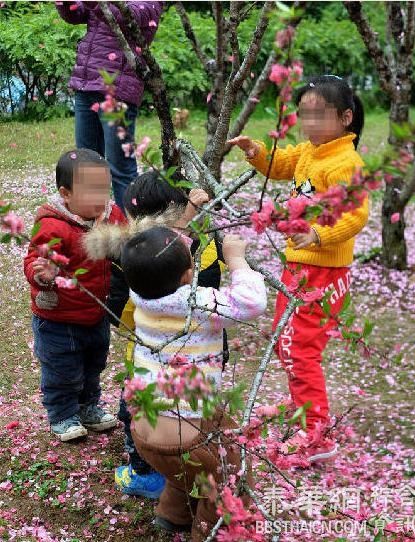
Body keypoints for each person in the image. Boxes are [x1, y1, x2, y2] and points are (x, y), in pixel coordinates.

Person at [228, 75, 369, 462]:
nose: (308, 123)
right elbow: (283, 163)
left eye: (318, 115)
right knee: (286, 341)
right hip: (300, 266)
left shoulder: (345, 162)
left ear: (344, 117)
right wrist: (256, 151)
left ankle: (318, 436)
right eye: (303, 114)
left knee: (299, 348)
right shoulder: (312, 150)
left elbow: (356, 215)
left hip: (321, 272)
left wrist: (320, 235)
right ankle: (305, 406)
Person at [83, 172, 227, 499]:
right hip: (205, 354)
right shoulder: (206, 243)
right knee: (194, 411)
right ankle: (189, 463)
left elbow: (119, 311)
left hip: (150, 355)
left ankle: (146, 473)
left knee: (136, 409)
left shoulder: (134, 257)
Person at [120, 226, 267, 540]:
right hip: (186, 432)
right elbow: (252, 303)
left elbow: (160, 258)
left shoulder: (141, 294)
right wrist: (237, 260)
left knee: (185, 469)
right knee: (229, 475)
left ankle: (173, 515)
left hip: (145, 426)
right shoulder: (197, 303)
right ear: (188, 275)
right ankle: (213, 533)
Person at [24, 149, 126, 441]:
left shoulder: (110, 216)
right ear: (65, 194)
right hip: (59, 317)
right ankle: (62, 414)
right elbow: (34, 261)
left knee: (94, 363)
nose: (100, 198)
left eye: (104, 190)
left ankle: (88, 406)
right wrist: (43, 274)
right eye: (91, 191)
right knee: (62, 368)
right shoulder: (53, 225)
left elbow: (125, 243)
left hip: (95, 312)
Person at [56, 1, 163, 211]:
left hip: (119, 88)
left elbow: (125, 17)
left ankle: (130, 229)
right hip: (87, 83)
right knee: (87, 164)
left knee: (120, 168)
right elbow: (75, 14)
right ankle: (94, 225)